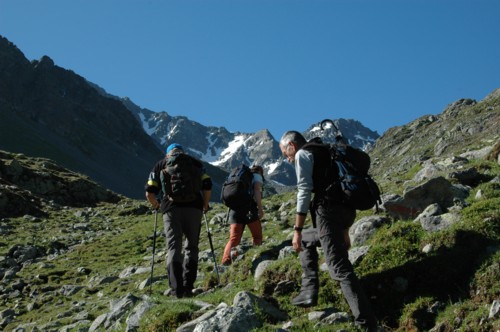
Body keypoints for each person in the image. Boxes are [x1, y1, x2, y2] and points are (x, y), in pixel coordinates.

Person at [279, 131, 378, 331]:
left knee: (338, 267)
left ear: (291, 145)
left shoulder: (303, 154)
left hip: (328, 212)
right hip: (346, 211)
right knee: (308, 238)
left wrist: (297, 229)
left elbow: (304, 191)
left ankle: (367, 323)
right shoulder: (325, 151)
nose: (287, 159)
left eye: (285, 153)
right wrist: (345, 229)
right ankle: (308, 291)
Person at [145, 143, 212, 298]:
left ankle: (176, 290)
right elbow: (207, 185)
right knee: (192, 247)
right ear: (183, 151)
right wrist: (205, 205)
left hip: (170, 209)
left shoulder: (161, 164)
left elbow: (149, 192)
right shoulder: (195, 163)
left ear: (168, 154)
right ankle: (188, 287)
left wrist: (157, 206)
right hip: (194, 208)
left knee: (174, 247)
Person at [221, 165, 265, 266]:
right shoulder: (256, 176)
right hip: (249, 209)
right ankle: (257, 257)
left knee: (234, 238)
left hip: (234, 210)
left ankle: (226, 259)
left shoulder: (240, 178)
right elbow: (257, 190)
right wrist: (260, 208)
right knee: (257, 236)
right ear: (260, 171)